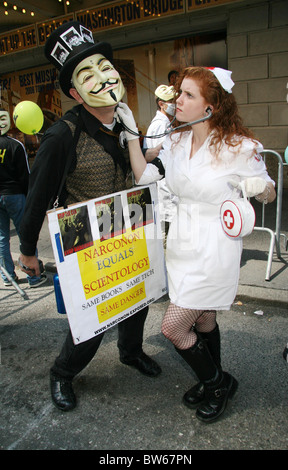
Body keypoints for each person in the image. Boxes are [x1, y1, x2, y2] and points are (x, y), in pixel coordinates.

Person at [116, 66, 276, 423]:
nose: (178, 101)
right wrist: (130, 134)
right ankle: (211, 381)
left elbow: (269, 189)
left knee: (172, 327)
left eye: (188, 95)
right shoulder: (175, 141)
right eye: (179, 93)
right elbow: (144, 175)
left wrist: (255, 187)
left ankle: (218, 383)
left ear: (210, 106)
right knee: (203, 319)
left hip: (216, 244)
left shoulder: (240, 147)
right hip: (183, 242)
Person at [18, 21, 161, 412]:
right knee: (92, 322)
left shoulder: (127, 123)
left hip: (131, 230)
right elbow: (36, 198)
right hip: (86, 241)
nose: (102, 78)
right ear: (74, 93)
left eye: (105, 67)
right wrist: (28, 250)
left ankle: (130, 352)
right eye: (87, 74)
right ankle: (63, 372)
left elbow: (144, 171)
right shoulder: (61, 135)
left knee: (137, 300)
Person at [0, 108, 47, 288]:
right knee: (25, 235)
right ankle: (33, 277)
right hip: (15, 195)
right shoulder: (15, 145)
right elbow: (25, 176)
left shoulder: (15, 145)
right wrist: (30, 200)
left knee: (2, 238)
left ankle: (8, 277)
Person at [143, 85, 178, 234]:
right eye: (170, 101)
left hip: (166, 180)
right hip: (163, 181)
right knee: (168, 223)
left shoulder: (165, 123)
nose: (174, 104)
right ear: (161, 104)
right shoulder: (160, 125)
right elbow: (161, 155)